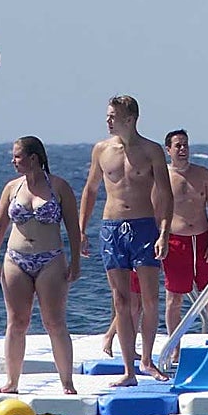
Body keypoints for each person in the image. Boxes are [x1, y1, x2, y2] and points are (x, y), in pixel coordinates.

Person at [79, 95, 174, 386]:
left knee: (149, 298)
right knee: (120, 300)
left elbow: (166, 193)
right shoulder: (101, 150)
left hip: (144, 226)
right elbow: (91, 190)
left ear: (129, 119)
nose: (108, 120)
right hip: (112, 228)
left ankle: (147, 360)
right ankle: (128, 370)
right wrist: (81, 230)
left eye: (113, 116)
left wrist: (164, 232)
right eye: (107, 115)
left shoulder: (151, 151)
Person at [0, 136, 81, 394]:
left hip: (50, 259)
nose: (13, 161)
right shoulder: (12, 188)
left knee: (54, 322)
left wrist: (75, 262)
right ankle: (12, 381)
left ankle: (67, 382)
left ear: (33, 158)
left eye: (17, 156)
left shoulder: (59, 187)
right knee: (17, 322)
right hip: (16, 259)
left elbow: (73, 228)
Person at [161, 128, 208, 338]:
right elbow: (154, 212)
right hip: (175, 242)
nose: (182, 149)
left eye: (185, 145)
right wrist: (160, 239)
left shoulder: (203, 174)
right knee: (174, 299)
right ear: (168, 150)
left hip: (204, 240)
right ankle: (174, 348)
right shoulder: (162, 177)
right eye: (178, 146)